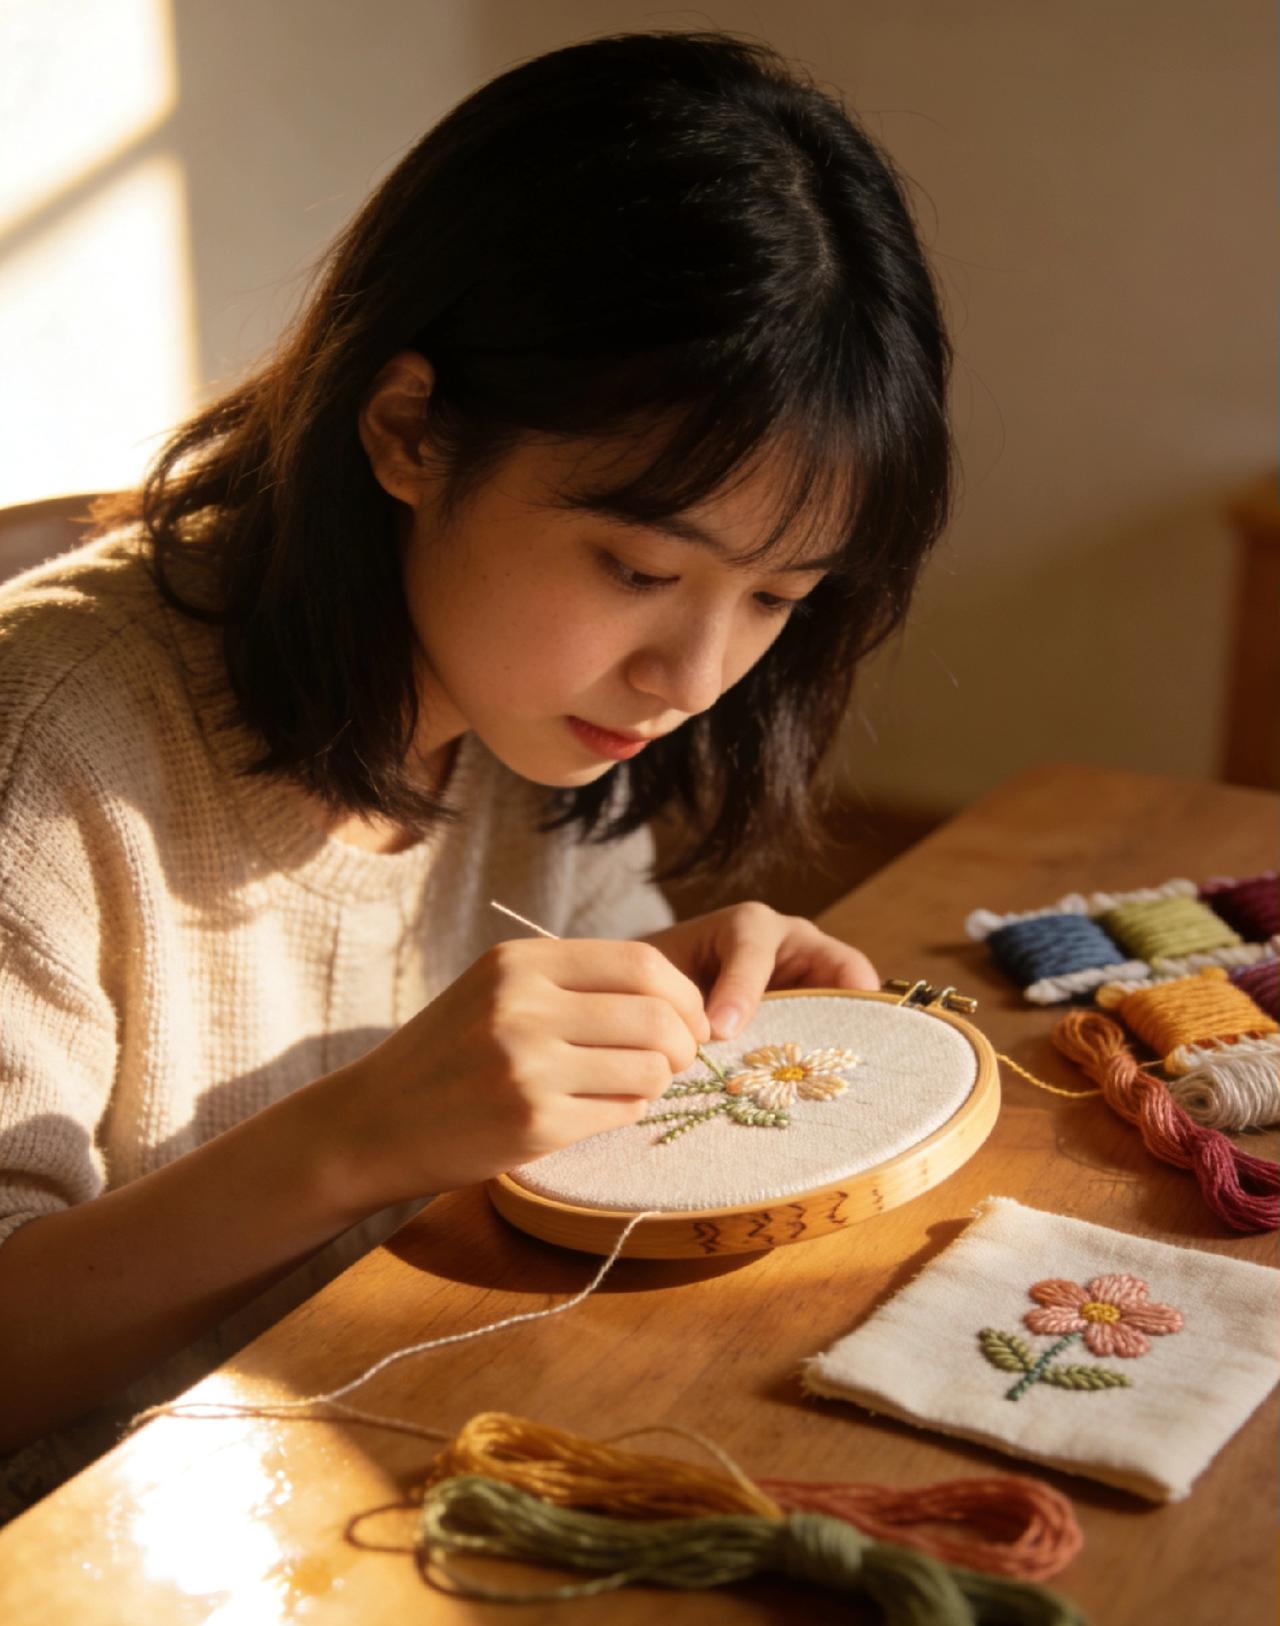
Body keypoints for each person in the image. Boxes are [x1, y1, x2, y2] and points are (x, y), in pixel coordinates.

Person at [0, 30, 951, 1513]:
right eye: (639, 565)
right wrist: (359, 1134)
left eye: (777, 599)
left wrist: (676, 1003)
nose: (694, 677)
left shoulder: (534, 714)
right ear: (410, 433)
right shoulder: (50, 738)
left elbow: (558, 1026)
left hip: (380, 1459)